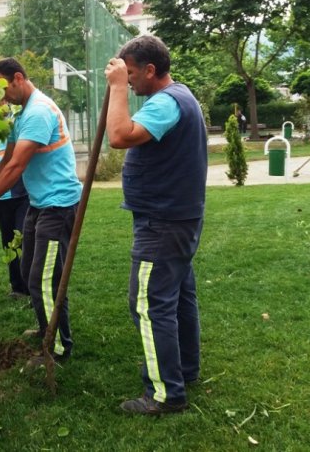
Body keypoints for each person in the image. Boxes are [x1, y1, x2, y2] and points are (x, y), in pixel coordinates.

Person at [104, 35, 207, 416]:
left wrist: (116, 89)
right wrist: (121, 83)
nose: (128, 80)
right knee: (178, 298)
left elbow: (119, 136)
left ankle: (165, 394)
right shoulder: (178, 97)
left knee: (148, 305)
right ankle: (185, 371)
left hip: (162, 222)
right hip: (177, 217)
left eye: (131, 74)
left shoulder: (166, 102)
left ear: (150, 70)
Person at [0, 57, 81, 362]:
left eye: (2, 88)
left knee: (43, 280)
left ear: (17, 78)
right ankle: (47, 330)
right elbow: (5, 161)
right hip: (41, 204)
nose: (1, 97)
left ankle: (58, 347)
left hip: (58, 206)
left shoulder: (38, 112)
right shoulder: (22, 113)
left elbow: (17, 166)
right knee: (29, 272)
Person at [0, 137, 30, 299]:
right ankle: (17, 287)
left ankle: (30, 285)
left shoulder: (16, 136)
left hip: (22, 196)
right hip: (0, 199)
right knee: (8, 243)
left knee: (23, 238)